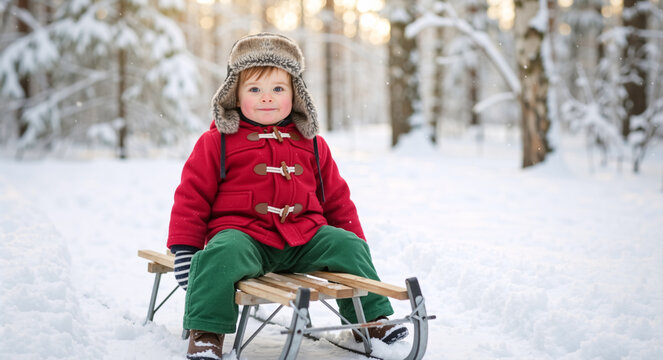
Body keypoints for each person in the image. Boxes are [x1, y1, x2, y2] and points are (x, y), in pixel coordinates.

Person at [167, 33, 407, 360]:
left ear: (296, 94)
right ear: (234, 94)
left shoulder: (312, 144)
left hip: (303, 237)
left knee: (346, 244)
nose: (267, 98)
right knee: (220, 254)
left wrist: (354, 242)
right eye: (255, 89)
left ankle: (371, 321)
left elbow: (336, 198)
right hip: (245, 239)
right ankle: (207, 333)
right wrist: (185, 249)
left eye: (278, 89)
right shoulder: (217, 143)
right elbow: (192, 197)